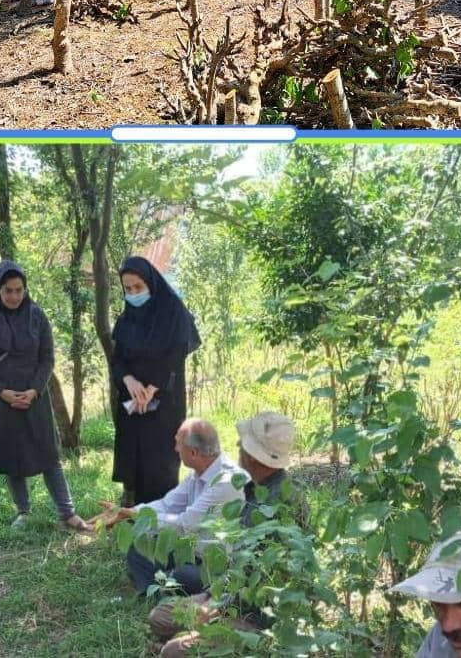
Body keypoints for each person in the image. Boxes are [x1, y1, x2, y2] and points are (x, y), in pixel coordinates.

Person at [148, 412, 306, 656]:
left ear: (253, 456)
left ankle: (251, 644)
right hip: (229, 593)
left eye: (243, 445)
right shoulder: (255, 488)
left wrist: (215, 605)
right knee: (160, 617)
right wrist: (212, 597)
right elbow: (238, 562)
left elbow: (258, 578)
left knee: (173, 652)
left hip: (259, 615)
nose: (237, 448)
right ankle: (210, 635)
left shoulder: (281, 503)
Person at [0, 260, 92, 532]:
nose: (14, 296)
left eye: (19, 290)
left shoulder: (37, 316)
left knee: (48, 454)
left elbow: (47, 359)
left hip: (35, 396)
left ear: (25, 289)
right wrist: (3, 393)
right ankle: (23, 511)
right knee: (12, 456)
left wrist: (34, 390)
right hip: (0, 400)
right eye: (8, 291)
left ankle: (67, 513)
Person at [95, 419, 242, 595]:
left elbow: (184, 524)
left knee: (183, 576)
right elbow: (168, 504)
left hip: (216, 564)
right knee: (138, 544)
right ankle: (158, 590)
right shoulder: (199, 472)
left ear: (194, 452)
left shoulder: (226, 482)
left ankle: (168, 591)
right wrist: (130, 512)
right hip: (190, 549)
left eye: (178, 445)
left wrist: (134, 516)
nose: (175, 450)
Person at [110, 256, 202, 505]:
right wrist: (129, 381)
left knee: (160, 464)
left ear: (151, 283)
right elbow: (117, 359)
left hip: (164, 401)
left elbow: (174, 357)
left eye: (138, 287)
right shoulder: (126, 319)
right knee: (134, 460)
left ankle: (163, 522)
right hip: (132, 402)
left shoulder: (173, 314)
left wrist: (151, 389)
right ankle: (132, 515)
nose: (133, 293)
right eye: (127, 289)